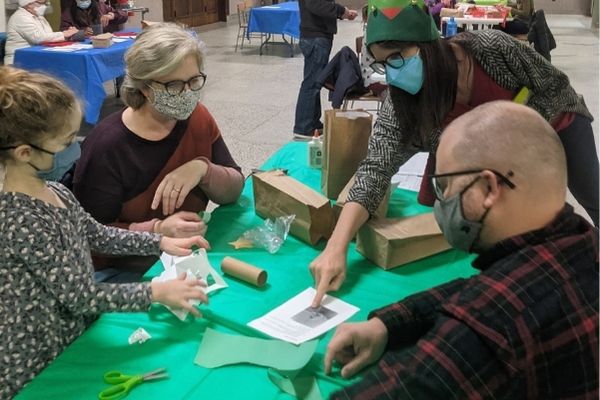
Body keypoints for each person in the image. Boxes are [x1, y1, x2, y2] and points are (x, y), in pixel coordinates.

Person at [309, 0, 598, 306]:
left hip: (556, 123)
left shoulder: (490, 49)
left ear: (429, 45)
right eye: (383, 64)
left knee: (589, 196)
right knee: (488, 223)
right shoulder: (402, 101)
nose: (391, 75)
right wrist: (336, 247)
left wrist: (514, 127)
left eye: (398, 57)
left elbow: (554, 86)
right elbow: (375, 169)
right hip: (487, 158)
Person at [324, 101, 599, 399]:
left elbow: (408, 385)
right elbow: (478, 288)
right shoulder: (584, 241)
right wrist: (390, 324)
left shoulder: (491, 324)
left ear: (489, 189)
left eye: (445, 186)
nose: (441, 202)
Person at [0, 66, 212, 398]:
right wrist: (155, 292)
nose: (76, 149)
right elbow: (81, 295)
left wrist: (159, 241)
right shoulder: (20, 219)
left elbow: (97, 234)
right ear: (25, 153)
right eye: (67, 142)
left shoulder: (55, 190)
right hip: (36, 359)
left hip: (72, 335)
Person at [73, 23, 244, 277]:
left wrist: (202, 169)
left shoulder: (197, 117)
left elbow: (235, 188)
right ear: (144, 86)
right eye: (174, 86)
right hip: (126, 270)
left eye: (194, 81)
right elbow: (91, 237)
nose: (187, 93)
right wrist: (157, 230)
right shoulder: (107, 146)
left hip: (185, 257)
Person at [293, 0, 358, 140]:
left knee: (315, 82)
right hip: (316, 37)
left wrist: (341, 13)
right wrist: (342, 11)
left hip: (316, 35)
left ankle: (312, 123)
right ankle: (303, 128)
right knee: (311, 84)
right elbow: (315, 4)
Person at [4, 0, 79, 64]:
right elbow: (38, 38)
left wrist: (68, 34)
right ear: (28, 4)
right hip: (18, 61)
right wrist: (64, 34)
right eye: (40, 3)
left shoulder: (39, 17)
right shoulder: (20, 17)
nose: (43, 6)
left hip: (35, 57)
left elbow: (49, 35)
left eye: (45, 3)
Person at [60, 0, 128, 35]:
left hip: (104, 42)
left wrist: (112, 15)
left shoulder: (100, 6)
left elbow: (124, 15)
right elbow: (64, 31)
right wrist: (81, 33)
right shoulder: (68, 12)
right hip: (84, 46)